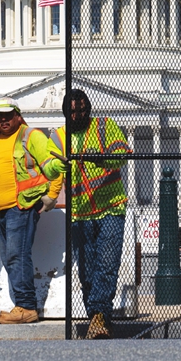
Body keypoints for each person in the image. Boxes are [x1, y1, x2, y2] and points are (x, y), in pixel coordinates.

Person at [0, 97, 67, 324]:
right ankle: (21, 305)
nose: (3, 120)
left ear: (18, 115)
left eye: (8, 115)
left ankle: (26, 306)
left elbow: (51, 164)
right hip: (0, 211)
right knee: (9, 258)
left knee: (18, 255)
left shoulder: (30, 136)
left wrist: (52, 195)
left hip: (21, 207)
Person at [50, 89, 132, 339]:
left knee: (107, 264)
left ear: (89, 109)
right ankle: (101, 320)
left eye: (82, 110)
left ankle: (97, 316)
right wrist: (57, 164)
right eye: (73, 111)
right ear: (65, 112)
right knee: (86, 273)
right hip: (79, 214)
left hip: (111, 207)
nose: (78, 115)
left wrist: (102, 159)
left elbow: (122, 155)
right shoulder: (58, 136)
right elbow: (49, 167)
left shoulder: (105, 127)